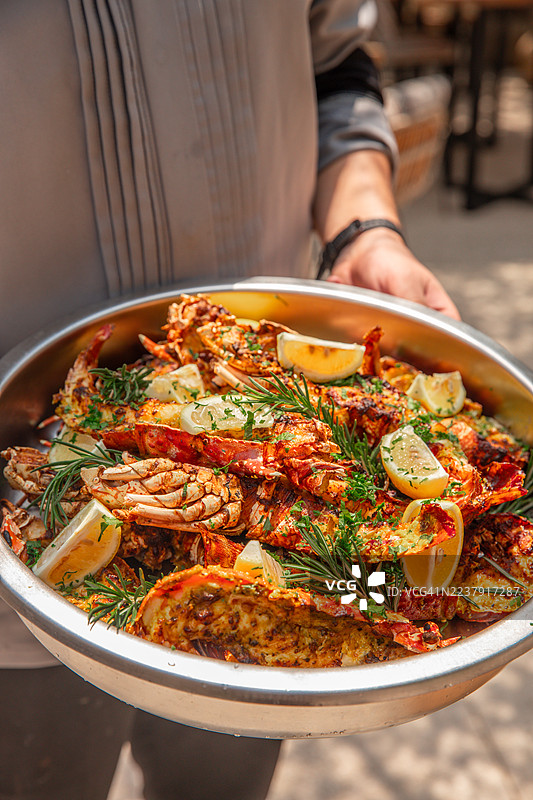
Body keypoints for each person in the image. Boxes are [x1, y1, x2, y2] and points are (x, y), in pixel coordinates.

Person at [0, 1, 459, 799]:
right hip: (26, 563)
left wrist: (362, 231)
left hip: (283, 400)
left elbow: (337, 68)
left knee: (225, 778)